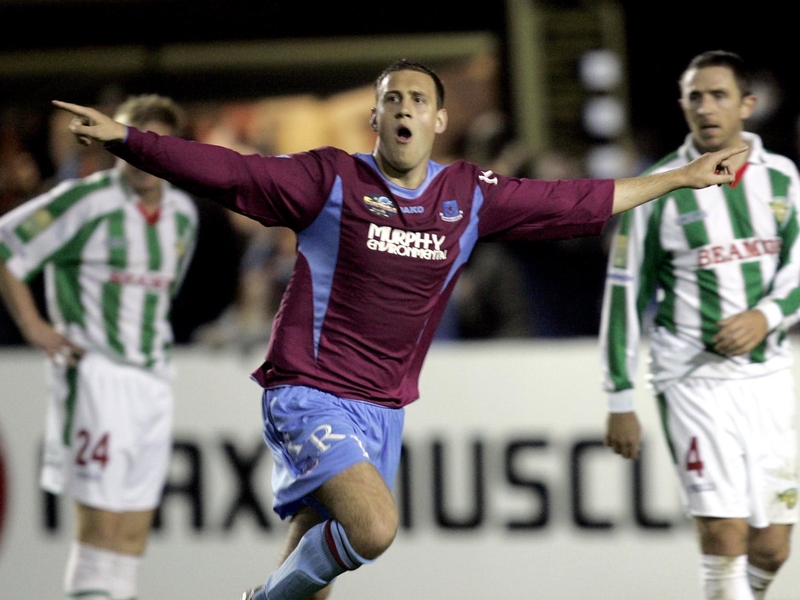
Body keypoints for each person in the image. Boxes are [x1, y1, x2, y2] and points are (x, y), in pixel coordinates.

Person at [51, 58, 741, 600]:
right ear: (375, 118)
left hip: (382, 408)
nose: (404, 107)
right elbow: (229, 171)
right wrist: (129, 140)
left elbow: (575, 199)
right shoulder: (329, 180)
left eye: (417, 99)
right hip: (309, 392)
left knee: (316, 574)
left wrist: (680, 177)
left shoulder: (467, 194)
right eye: (392, 99)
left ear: (438, 119)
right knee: (374, 529)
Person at [600, 50, 799, 599]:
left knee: (772, 548)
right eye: (695, 97)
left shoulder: (783, 178)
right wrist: (619, 397)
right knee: (724, 535)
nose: (706, 107)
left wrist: (766, 315)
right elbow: (624, 291)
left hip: (767, 377)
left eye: (718, 95)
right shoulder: (657, 187)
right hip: (692, 378)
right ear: (683, 105)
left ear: (747, 105)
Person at [0, 94, 198, 600]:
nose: (141, 155)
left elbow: (164, 296)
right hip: (95, 376)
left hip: (154, 381)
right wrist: (32, 324)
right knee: (99, 533)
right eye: (130, 141)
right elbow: (5, 244)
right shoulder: (85, 201)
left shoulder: (183, 214)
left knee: (131, 536)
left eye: (155, 144)